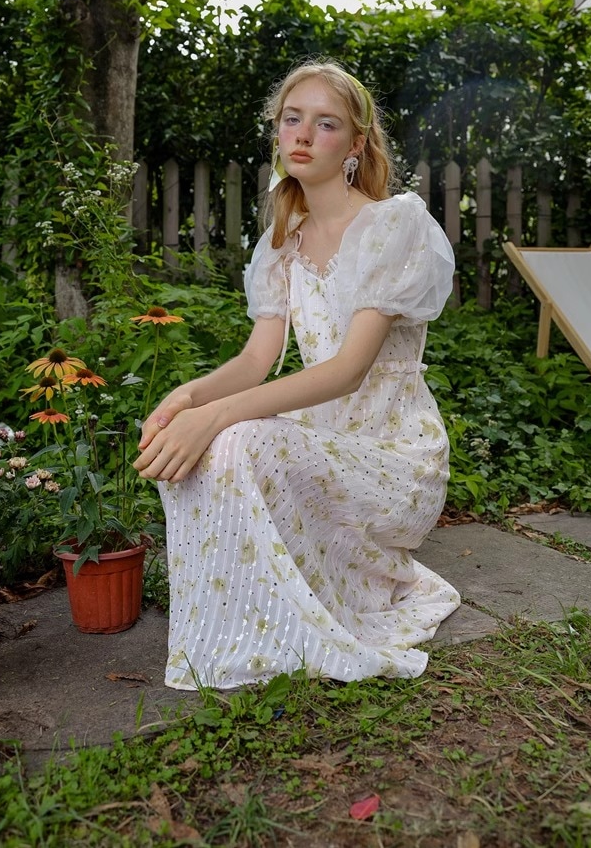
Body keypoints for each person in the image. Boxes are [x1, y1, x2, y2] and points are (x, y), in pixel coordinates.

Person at [135, 59, 460, 691]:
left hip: (393, 458)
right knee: (209, 437)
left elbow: (346, 371)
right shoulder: (284, 242)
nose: (304, 135)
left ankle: (286, 623)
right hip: (322, 441)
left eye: (326, 123)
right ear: (278, 132)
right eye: (292, 119)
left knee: (236, 435)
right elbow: (256, 360)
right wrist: (189, 397)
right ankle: (234, 631)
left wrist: (218, 415)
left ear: (355, 145)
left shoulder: (393, 226)